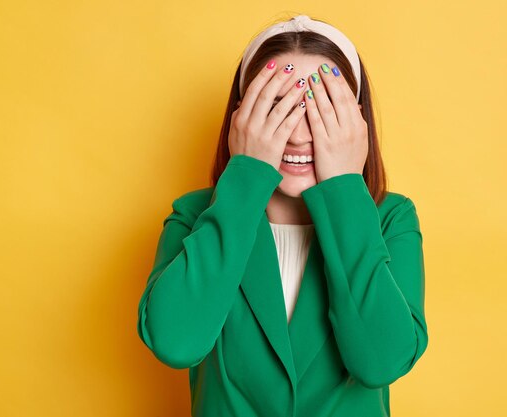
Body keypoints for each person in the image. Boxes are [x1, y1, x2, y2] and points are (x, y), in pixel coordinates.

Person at [137, 14, 428, 417]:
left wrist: (343, 184)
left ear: (356, 124)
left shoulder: (391, 218)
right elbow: (175, 342)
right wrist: (246, 177)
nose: (297, 133)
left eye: (322, 110)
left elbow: (381, 361)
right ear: (242, 118)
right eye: (277, 107)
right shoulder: (193, 214)